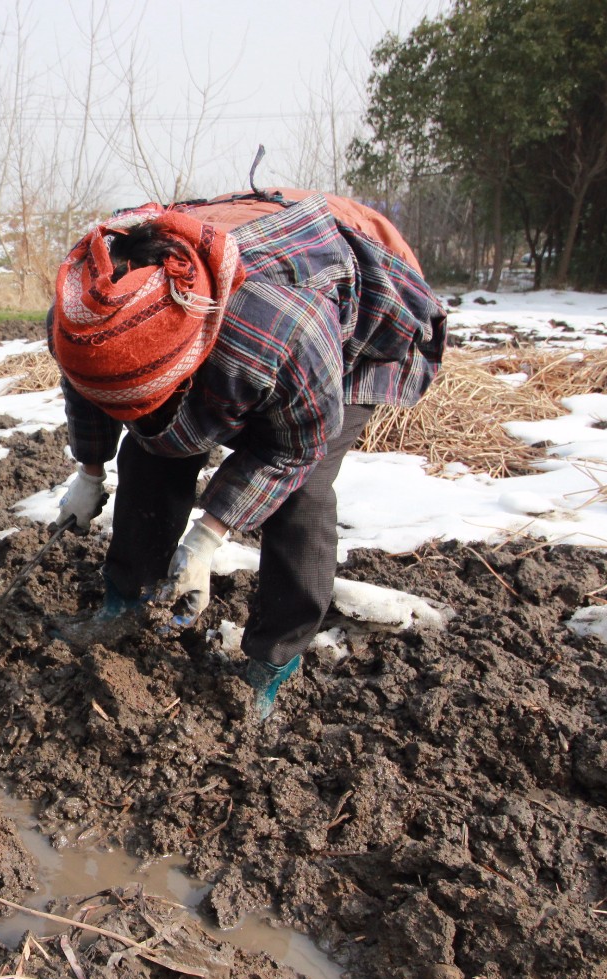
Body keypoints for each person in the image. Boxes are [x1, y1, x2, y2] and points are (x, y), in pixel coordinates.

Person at [47, 186, 446, 716]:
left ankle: (273, 657)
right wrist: (90, 470)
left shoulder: (278, 332)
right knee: (153, 451)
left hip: (359, 320)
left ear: (185, 371)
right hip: (243, 314)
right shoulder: (88, 307)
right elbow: (92, 384)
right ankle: (127, 598)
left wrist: (207, 538)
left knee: (300, 499)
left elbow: (292, 450)